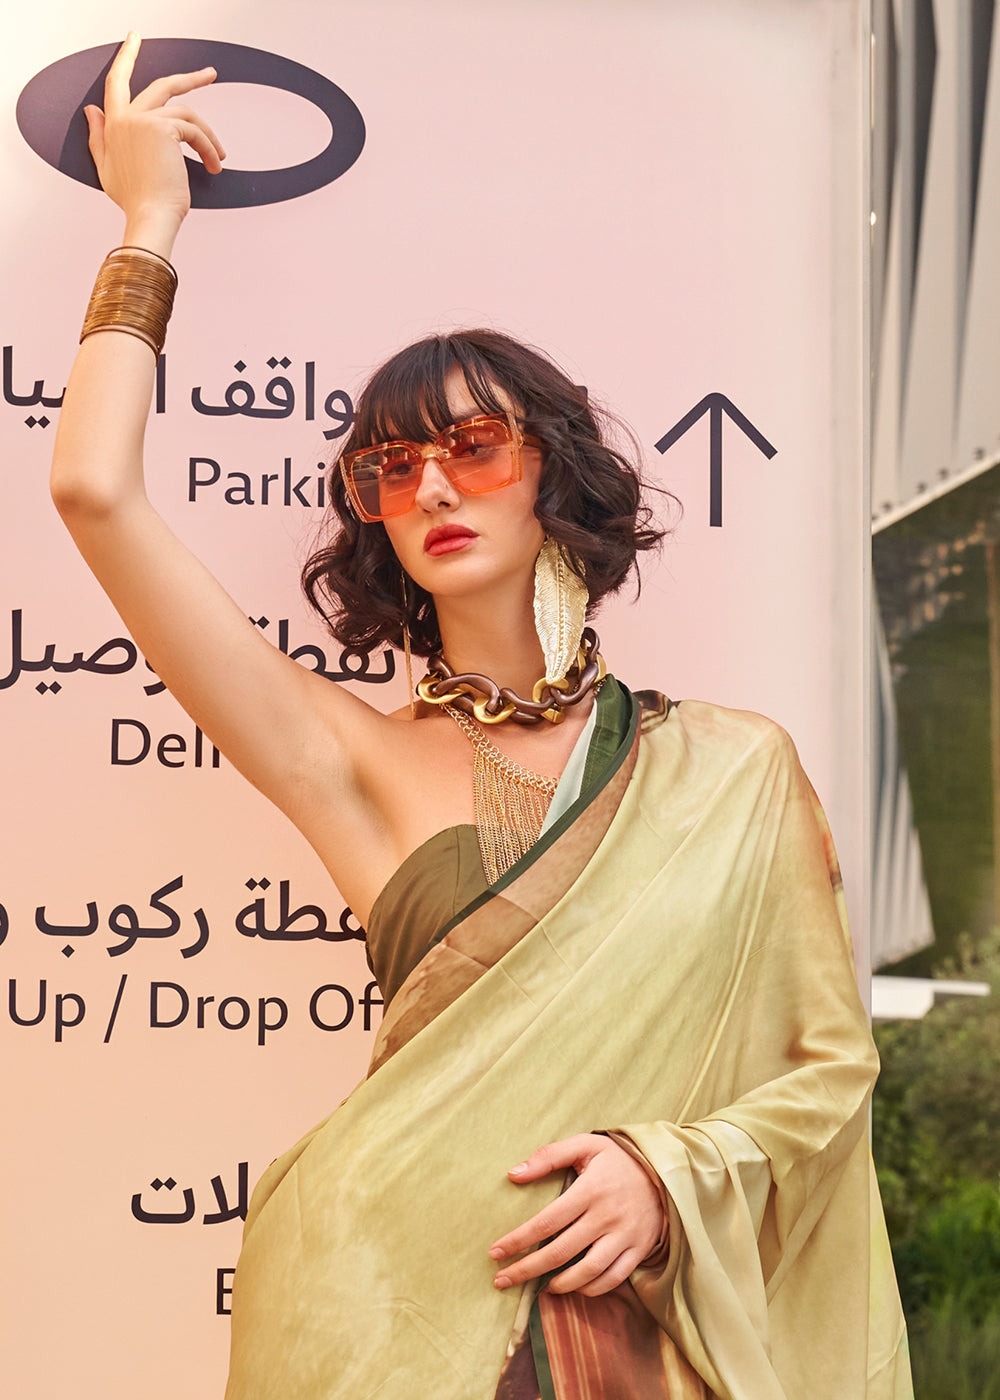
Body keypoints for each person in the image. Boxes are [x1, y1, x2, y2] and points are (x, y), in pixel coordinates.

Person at [51, 34, 912, 1400]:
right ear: (376, 521)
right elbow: (94, 496)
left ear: (552, 472)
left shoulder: (734, 770)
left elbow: (827, 1071)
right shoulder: (349, 757)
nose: (436, 489)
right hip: (370, 1314)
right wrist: (148, 225)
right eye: (392, 469)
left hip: (630, 1324)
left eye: (475, 446)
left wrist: (667, 1171)